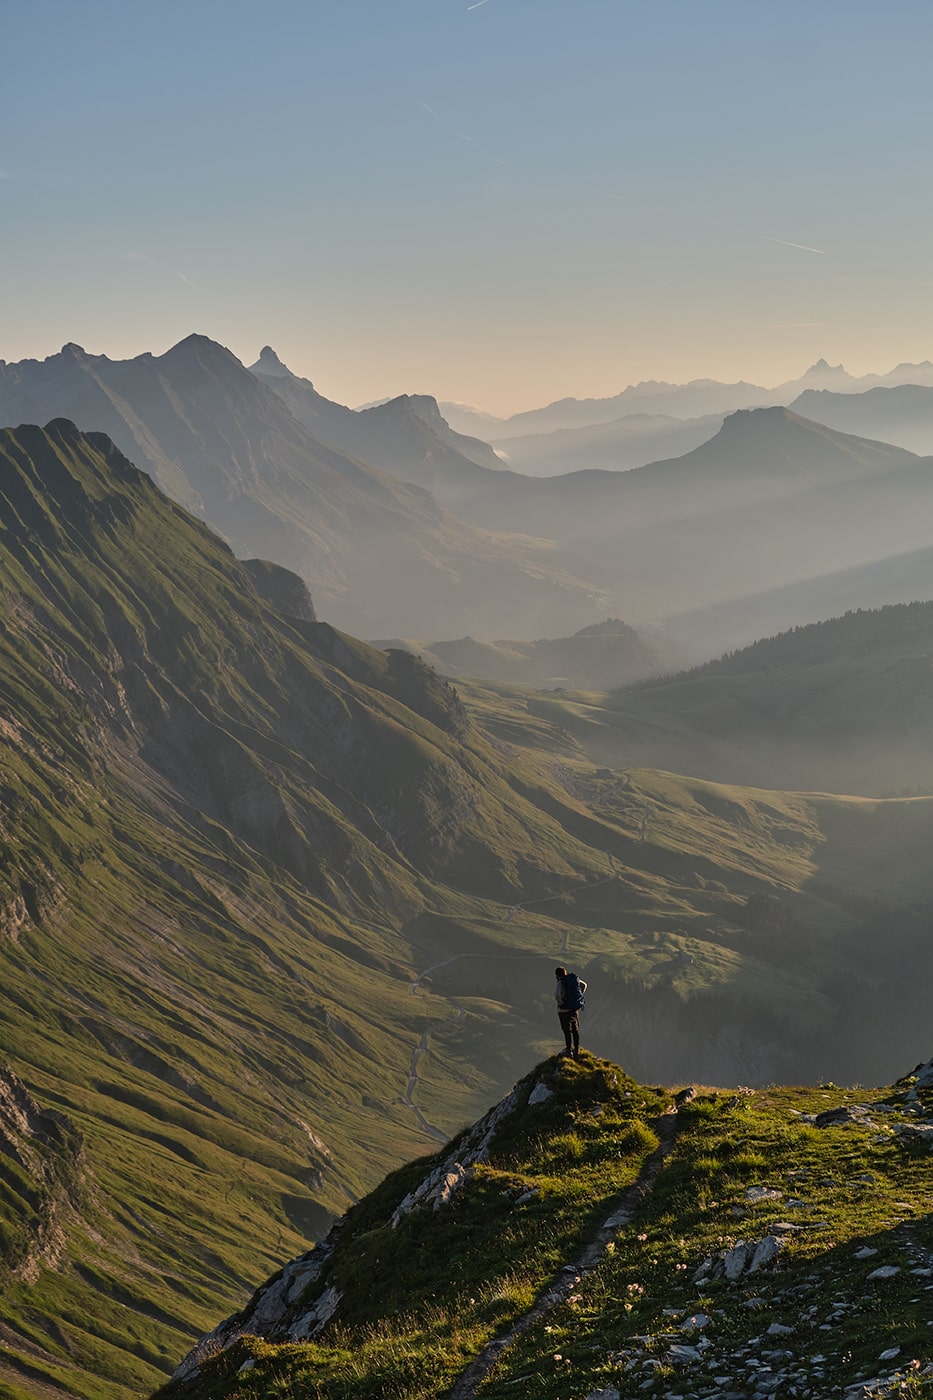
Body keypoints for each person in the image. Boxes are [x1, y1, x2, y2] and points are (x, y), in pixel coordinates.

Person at [554, 965, 587, 1058]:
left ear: (557, 975)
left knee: (566, 1030)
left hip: (564, 1011)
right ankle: (576, 1049)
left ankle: (568, 1050)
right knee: (575, 1029)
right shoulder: (573, 980)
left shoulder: (560, 983)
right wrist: (577, 998)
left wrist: (561, 1003)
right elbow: (584, 985)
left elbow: (557, 995)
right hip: (574, 1009)